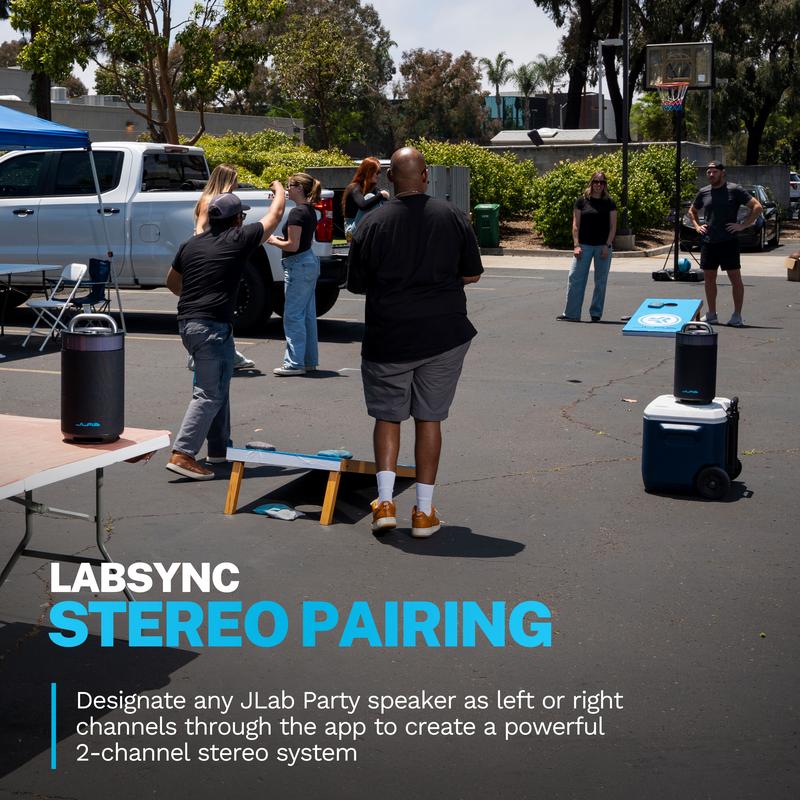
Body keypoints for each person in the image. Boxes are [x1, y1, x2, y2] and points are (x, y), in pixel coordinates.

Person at [347, 146, 483, 538]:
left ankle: (385, 503)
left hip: (389, 335)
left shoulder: (371, 223)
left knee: (387, 416)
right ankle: (423, 512)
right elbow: (472, 273)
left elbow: (356, 284)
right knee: (429, 418)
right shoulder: (452, 215)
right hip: (444, 334)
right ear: (425, 176)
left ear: (390, 178)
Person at [165, 185, 285, 480]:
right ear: (236, 220)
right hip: (211, 327)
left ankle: (219, 449)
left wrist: (197, 295)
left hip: (189, 323)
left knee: (218, 386)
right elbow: (275, 215)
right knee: (209, 393)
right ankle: (183, 453)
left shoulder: (191, 244)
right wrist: (279, 189)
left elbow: (172, 283)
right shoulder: (238, 238)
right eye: (241, 216)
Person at [190, 163, 256, 370]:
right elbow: (200, 228)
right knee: (216, 309)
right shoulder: (210, 200)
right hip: (212, 260)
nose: (237, 183)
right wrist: (208, 251)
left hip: (218, 257)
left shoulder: (222, 200)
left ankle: (226, 353)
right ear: (226, 180)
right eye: (234, 179)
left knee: (224, 308)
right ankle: (204, 355)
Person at [687, 161, 763, 327]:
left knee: (735, 279)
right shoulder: (704, 192)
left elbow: (757, 207)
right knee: (709, 278)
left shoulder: (734, 189)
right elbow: (692, 211)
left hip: (728, 242)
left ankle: (737, 315)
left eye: (714, 172)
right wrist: (697, 226)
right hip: (709, 242)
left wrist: (743, 225)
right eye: (709, 172)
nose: (711, 175)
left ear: (723, 173)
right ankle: (712, 314)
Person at [267, 173, 322, 376]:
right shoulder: (309, 210)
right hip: (308, 262)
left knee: (293, 316)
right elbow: (298, 242)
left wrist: (273, 240)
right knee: (306, 314)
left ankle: (294, 363)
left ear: (299, 188)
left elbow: (292, 245)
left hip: (298, 265)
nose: (287, 189)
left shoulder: (297, 213)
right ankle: (308, 360)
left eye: (290, 185)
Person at [557, 171, 617, 323]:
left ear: (605, 185)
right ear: (591, 183)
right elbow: (575, 225)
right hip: (584, 246)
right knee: (575, 278)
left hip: (602, 247)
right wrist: (576, 245)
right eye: (596, 181)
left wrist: (607, 245)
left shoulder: (609, 202)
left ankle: (596, 313)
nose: (598, 185)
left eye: (602, 182)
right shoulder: (582, 201)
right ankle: (571, 313)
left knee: (600, 281)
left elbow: (613, 227)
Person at [342, 157, 390, 240]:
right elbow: (363, 205)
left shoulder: (374, 190)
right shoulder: (354, 188)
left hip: (363, 229)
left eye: (379, 173)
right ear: (368, 172)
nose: (378, 176)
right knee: (370, 197)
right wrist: (381, 195)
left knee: (381, 200)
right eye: (376, 172)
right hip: (351, 232)